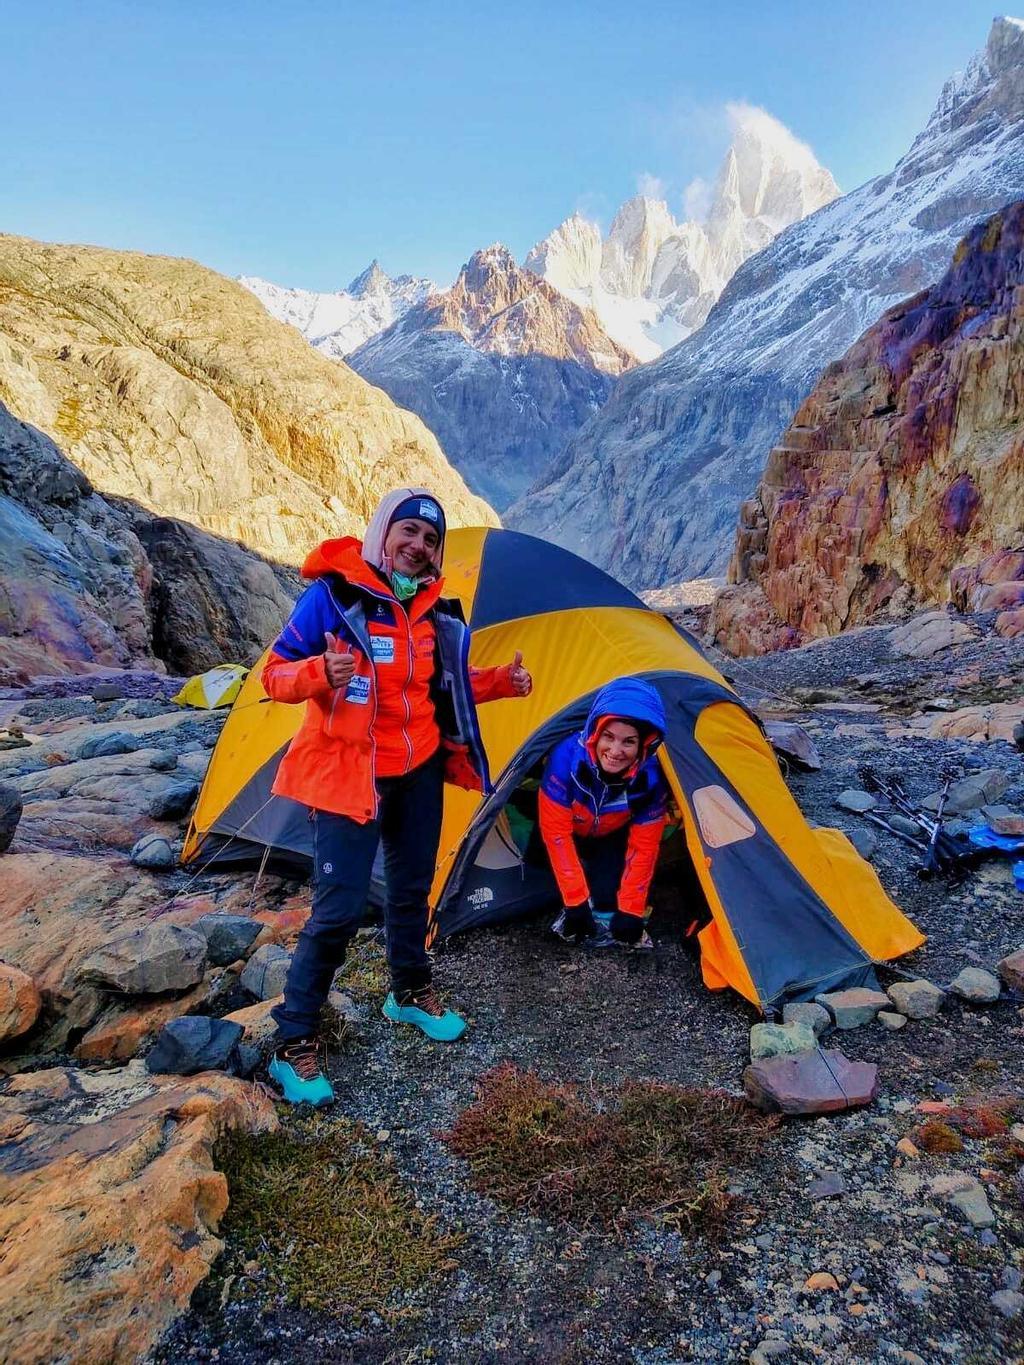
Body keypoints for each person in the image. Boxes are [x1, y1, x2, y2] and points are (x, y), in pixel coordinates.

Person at [262, 488, 532, 1105]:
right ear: (382, 534)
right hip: (349, 773)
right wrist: (318, 674)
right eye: (408, 531)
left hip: (418, 772)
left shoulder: (434, 611)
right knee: (338, 912)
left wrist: (502, 682)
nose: (418, 545)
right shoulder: (334, 597)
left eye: (430, 538)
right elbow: (275, 673)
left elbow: (445, 684)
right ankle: (293, 1041)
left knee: (411, 890)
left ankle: (408, 992)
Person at [539, 678, 668, 949]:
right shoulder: (565, 759)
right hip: (568, 830)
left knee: (608, 901)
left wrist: (632, 910)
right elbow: (556, 833)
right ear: (595, 734)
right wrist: (575, 902)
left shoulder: (651, 779)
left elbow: (645, 847)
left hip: (611, 834)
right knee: (539, 889)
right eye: (608, 737)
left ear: (644, 745)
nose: (615, 751)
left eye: (629, 742)